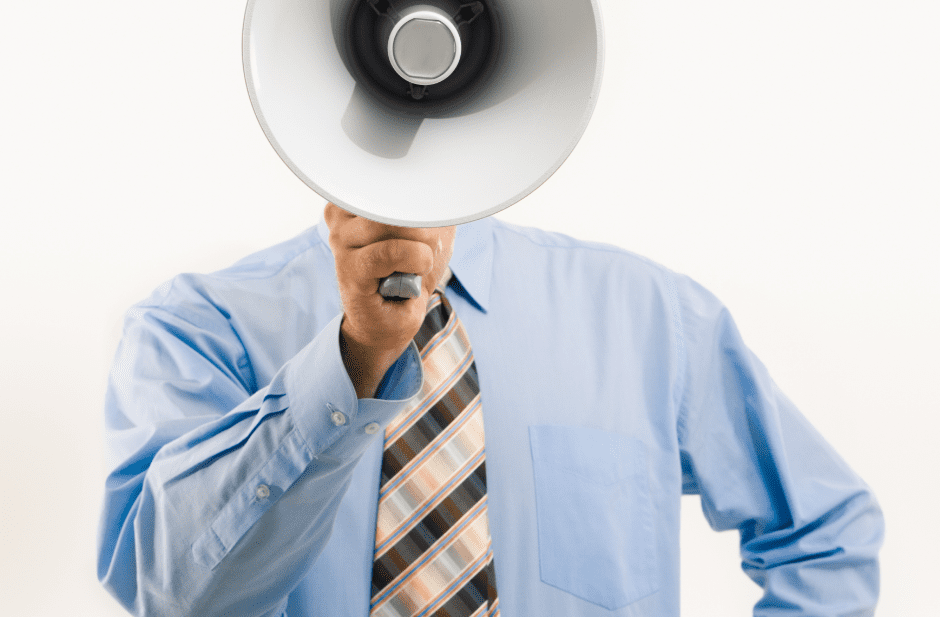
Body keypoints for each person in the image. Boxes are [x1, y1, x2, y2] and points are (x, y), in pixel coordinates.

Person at [97, 203, 883, 616]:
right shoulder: (197, 332)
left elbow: (822, 531)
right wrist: (354, 355)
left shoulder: (649, 316)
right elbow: (174, 599)